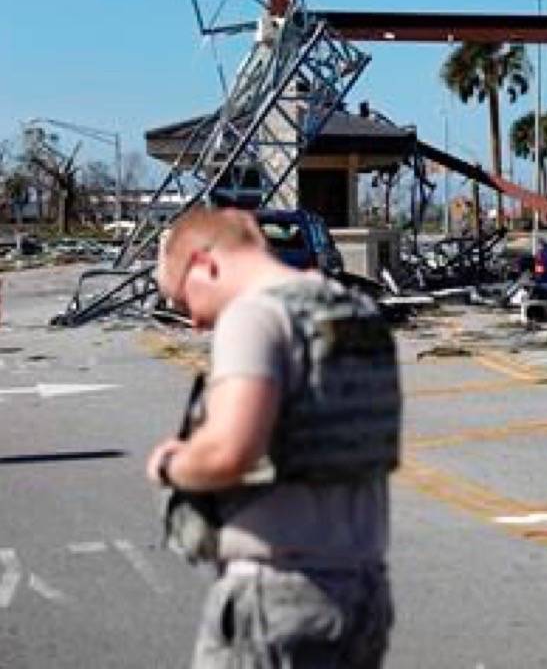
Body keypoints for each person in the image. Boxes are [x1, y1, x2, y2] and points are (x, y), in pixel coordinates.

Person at [145, 206, 401, 668]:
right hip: (362, 592)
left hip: (277, 598)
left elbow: (230, 452)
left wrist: (170, 463)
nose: (196, 322)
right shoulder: (355, 309)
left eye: (183, 301)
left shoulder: (256, 316)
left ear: (205, 265)